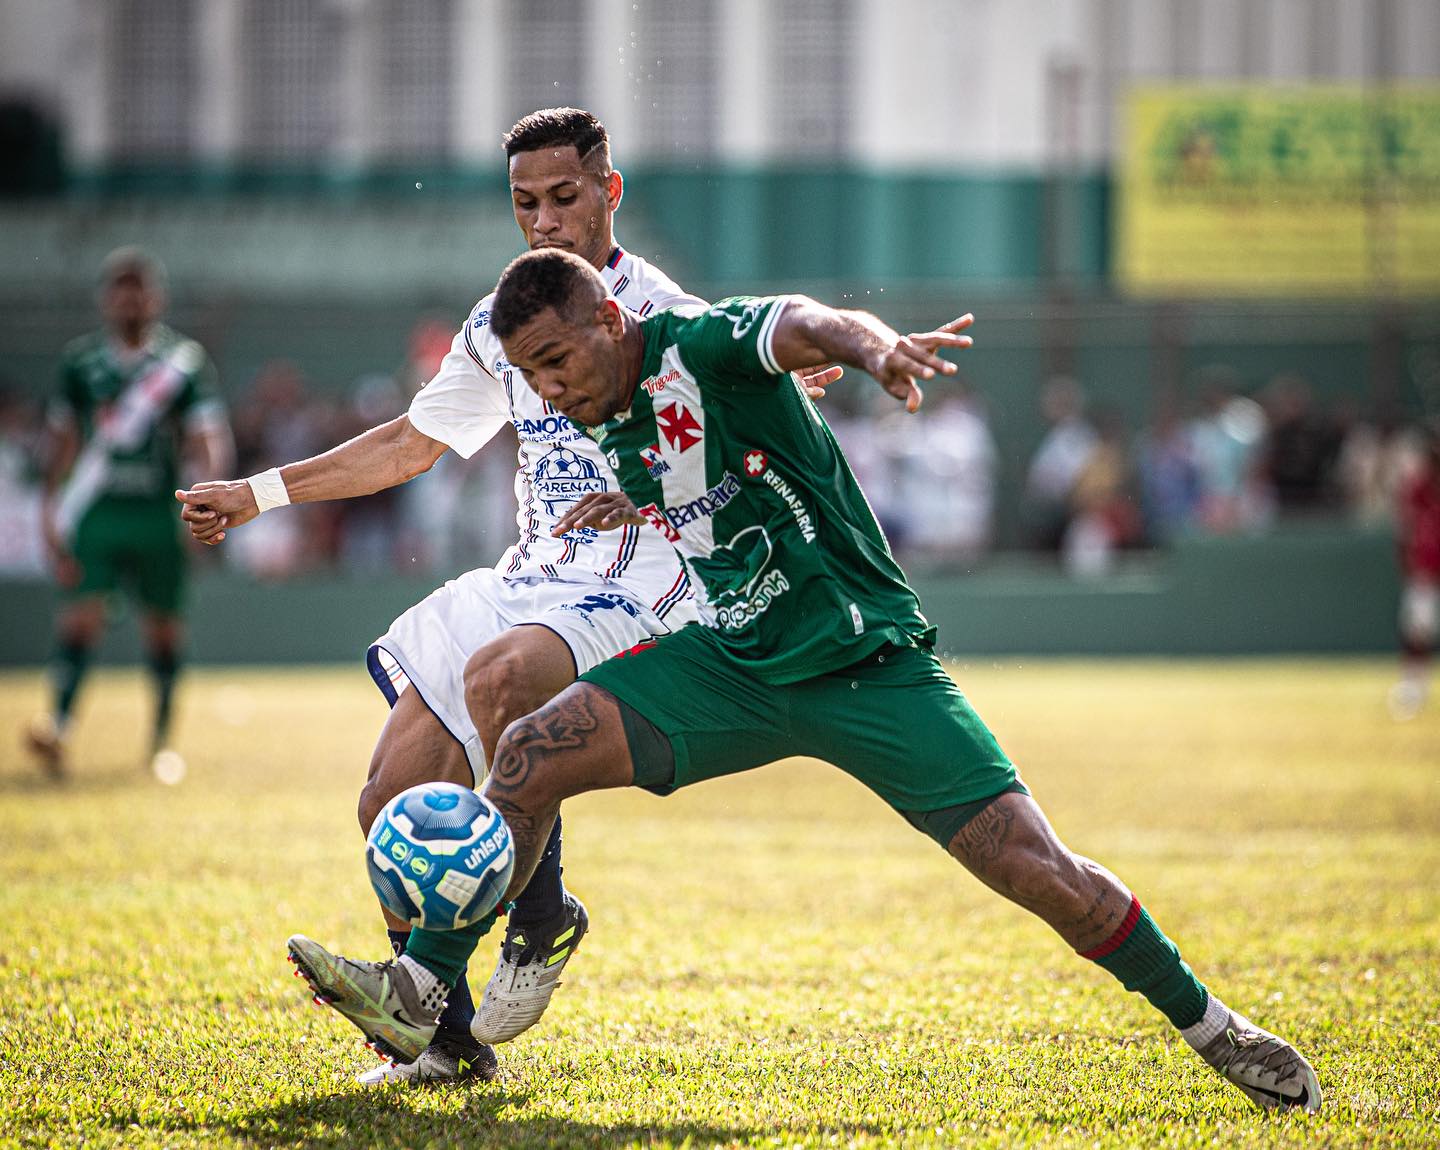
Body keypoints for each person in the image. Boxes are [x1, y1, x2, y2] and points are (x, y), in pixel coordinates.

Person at [287, 249, 1323, 1114]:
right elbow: (693, 476)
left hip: (865, 668)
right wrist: (632, 507)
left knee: (1039, 868)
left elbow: (801, 322)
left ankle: (1213, 1025)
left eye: (559, 360)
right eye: (533, 376)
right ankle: (426, 987)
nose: (552, 390)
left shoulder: (698, 341)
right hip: (734, 662)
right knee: (524, 751)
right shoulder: (598, 402)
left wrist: (874, 348)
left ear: (611, 316)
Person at [176, 108, 838, 1086]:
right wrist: (255, 492)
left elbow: (746, 375)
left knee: (503, 678)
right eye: (525, 202)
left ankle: (538, 917)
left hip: (640, 580)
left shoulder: (654, 310)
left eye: (565, 198)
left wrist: (797, 377)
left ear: (609, 192)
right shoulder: (501, 321)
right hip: (529, 573)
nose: (545, 220)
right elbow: (411, 443)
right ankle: (446, 1045)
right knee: (387, 802)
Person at [25, 247, 232, 781]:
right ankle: (60, 725)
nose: (129, 298)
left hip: (158, 513)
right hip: (96, 512)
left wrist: (212, 494)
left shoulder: (182, 363)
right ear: (105, 298)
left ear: (155, 297)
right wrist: (50, 509)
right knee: (80, 617)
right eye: (120, 288)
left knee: (163, 628)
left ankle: (161, 744)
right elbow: (64, 439)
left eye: (138, 288)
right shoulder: (80, 363)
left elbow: (207, 435)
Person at [1390, 423, 1440, 719]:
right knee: (1417, 630)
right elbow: (1404, 529)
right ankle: (1413, 685)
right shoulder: (1418, 486)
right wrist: (1407, 565)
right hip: (1425, 569)